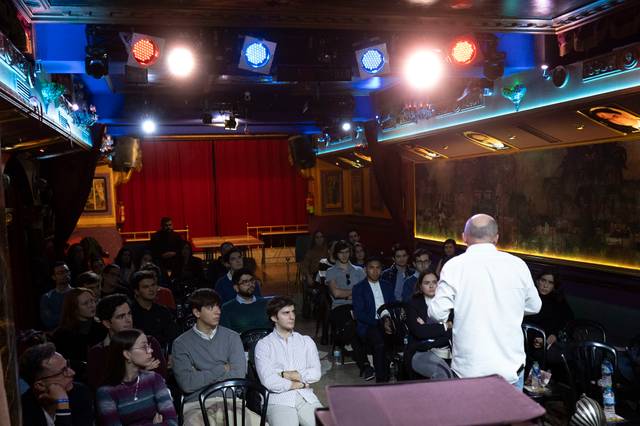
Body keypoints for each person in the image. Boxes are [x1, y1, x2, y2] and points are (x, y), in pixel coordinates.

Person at [429, 214, 542, 388]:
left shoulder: (454, 266)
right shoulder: (517, 265)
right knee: (512, 416)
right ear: (496, 238)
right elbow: (535, 306)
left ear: (464, 237)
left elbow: (437, 313)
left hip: (469, 369)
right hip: (510, 369)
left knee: (470, 416)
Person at [172, 288, 253, 425]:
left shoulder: (232, 337)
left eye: (218, 306)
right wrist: (221, 368)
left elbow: (238, 375)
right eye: (210, 307)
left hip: (230, 401)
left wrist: (199, 374)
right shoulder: (181, 343)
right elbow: (187, 383)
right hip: (197, 404)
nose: (218, 311)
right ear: (196, 312)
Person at [255, 296, 322, 426]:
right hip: (278, 401)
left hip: (306, 398)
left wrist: (284, 374)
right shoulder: (264, 345)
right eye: (286, 313)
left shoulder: (306, 341)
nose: (292, 317)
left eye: (293, 312)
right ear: (274, 318)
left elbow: (315, 374)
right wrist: (300, 383)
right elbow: (269, 381)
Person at [96, 329, 177, 425]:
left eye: (149, 346)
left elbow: (172, 422)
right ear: (127, 354)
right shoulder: (106, 392)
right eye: (144, 347)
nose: (150, 350)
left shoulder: (154, 379)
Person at [89, 294, 168, 390]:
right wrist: (143, 372)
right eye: (121, 316)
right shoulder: (97, 353)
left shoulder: (148, 342)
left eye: (129, 313)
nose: (128, 320)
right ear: (107, 323)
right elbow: (102, 389)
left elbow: (161, 378)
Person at [19, 342, 94, 426]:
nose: (72, 372)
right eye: (63, 371)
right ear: (40, 385)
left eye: (68, 366)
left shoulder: (80, 393)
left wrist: (63, 402)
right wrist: (63, 405)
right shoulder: (23, 411)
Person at [352, 256, 395, 383]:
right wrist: (380, 322)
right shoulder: (359, 288)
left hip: (387, 320)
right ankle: (382, 380)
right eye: (371, 268)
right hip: (369, 324)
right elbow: (359, 314)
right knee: (379, 342)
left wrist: (387, 318)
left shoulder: (387, 285)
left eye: (378, 268)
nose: (375, 271)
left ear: (381, 270)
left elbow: (392, 306)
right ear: (365, 270)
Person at [405, 270, 452, 379]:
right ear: (420, 286)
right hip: (420, 351)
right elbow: (419, 332)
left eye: (434, 282)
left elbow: (451, 333)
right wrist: (445, 326)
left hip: (448, 350)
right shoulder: (412, 303)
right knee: (443, 375)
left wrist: (427, 328)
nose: (431, 286)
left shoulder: (449, 303)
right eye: (426, 283)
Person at [526, 270, 574, 372]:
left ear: (554, 286)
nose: (545, 285)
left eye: (550, 283)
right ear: (538, 281)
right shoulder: (529, 297)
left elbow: (567, 320)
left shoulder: (558, 301)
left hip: (548, 342)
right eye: (543, 281)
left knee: (566, 357)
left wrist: (554, 335)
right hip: (528, 340)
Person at [51, 288, 107, 367]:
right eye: (85, 303)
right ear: (74, 308)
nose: (91, 305)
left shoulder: (103, 327)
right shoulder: (61, 334)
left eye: (92, 301)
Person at [130, 270, 178, 348]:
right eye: (146, 287)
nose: (151, 289)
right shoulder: (129, 312)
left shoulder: (163, 312)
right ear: (136, 291)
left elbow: (172, 337)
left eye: (153, 285)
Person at [220, 268, 272, 334]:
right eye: (245, 282)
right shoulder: (227, 308)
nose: (250, 284)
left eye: (252, 280)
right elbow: (225, 335)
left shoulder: (266, 303)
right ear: (236, 288)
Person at [40, 262, 73, 330]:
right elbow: (48, 322)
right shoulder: (47, 297)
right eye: (60, 273)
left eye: (66, 271)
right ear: (53, 277)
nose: (65, 274)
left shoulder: (77, 293)